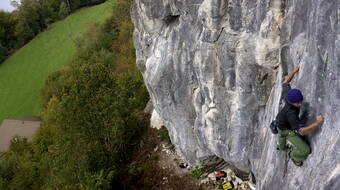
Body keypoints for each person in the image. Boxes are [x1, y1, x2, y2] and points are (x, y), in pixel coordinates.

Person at [276, 66, 324, 166]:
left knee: (281, 140)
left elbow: (285, 82)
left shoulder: (288, 94)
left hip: (280, 122)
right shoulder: (291, 114)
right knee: (306, 150)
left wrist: (294, 71)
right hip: (287, 129)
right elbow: (301, 132)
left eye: (301, 100)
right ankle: (294, 156)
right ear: (291, 102)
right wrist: (317, 123)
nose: (301, 103)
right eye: (298, 103)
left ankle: (281, 146)